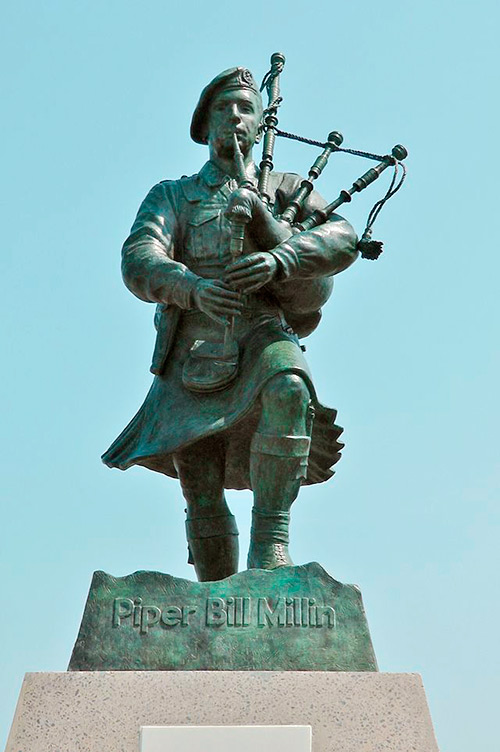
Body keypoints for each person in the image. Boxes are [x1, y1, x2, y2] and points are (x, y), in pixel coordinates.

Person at [102, 66, 358, 581]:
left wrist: (279, 253)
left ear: (261, 126)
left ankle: (272, 544)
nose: (235, 117)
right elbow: (138, 256)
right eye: (225, 108)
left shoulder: (283, 189)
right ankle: (215, 595)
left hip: (263, 331)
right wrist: (189, 287)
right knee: (197, 472)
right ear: (205, 123)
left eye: (246, 109)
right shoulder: (172, 196)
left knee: (289, 388)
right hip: (191, 345)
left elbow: (343, 238)